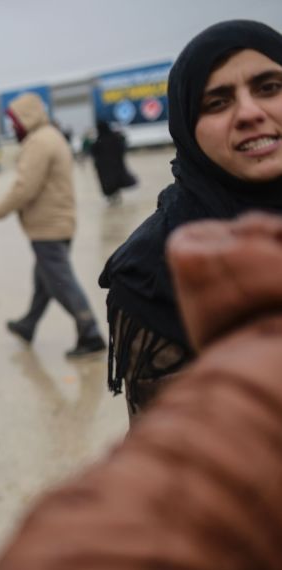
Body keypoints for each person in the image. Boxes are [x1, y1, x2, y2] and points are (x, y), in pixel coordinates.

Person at [0, 213, 282, 570]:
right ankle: (49, 325)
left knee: (54, 279)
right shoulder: (144, 271)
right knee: (50, 279)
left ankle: (80, 329)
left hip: (50, 227)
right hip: (55, 227)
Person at [99, 20, 282, 423]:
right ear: (186, 127)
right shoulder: (152, 273)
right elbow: (185, 457)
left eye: (269, 88)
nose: (250, 113)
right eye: (217, 102)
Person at [0, 92, 106, 359]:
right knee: (44, 281)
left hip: (48, 227)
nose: (12, 128)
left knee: (60, 282)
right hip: (58, 223)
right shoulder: (51, 136)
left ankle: (91, 332)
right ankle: (28, 325)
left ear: (26, 118)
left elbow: (24, 188)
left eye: (14, 122)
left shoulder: (39, 142)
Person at [90, 121, 136, 205]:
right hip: (116, 164)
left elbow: (94, 153)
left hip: (104, 168)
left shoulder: (99, 141)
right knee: (116, 180)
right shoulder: (115, 138)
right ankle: (116, 195)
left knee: (108, 182)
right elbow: (122, 148)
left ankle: (112, 196)